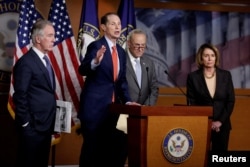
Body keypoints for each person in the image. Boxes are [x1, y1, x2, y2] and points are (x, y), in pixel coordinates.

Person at [78, 12, 139, 167]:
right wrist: (95, 61)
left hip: (112, 111)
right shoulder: (95, 46)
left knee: (108, 152)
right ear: (104, 27)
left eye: (119, 24)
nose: (117, 27)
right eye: (113, 24)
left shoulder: (121, 51)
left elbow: (121, 81)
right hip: (94, 109)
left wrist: (128, 101)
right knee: (90, 152)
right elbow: (83, 69)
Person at [13, 20, 56, 167]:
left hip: (46, 126)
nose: (54, 39)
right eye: (50, 35)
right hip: (32, 129)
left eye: (54, 35)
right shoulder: (26, 62)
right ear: (38, 39)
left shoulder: (46, 60)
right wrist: (26, 125)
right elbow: (20, 96)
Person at [186, 43, 235, 152]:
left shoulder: (226, 75)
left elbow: (230, 101)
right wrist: (207, 122)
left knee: (219, 158)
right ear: (201, 58)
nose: (209, 58)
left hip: (222, 126)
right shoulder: (193, 77)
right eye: (206, 55)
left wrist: (219, 122)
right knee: (201, 158)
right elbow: (192, 103)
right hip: (201, 126)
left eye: (212, 55)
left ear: (216, 57)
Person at [126, 29, 159, 106]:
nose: (140, 49)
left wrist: (146, 106)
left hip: (144, 111)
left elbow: (154, 88)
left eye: (143, 45)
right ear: (129, 44)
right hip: (124, 109)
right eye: (137, 45)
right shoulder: (121, 60)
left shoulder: (149, 63)